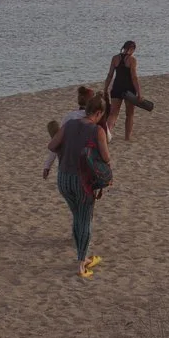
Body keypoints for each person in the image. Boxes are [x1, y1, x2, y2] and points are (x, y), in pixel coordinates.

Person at [50, 88, 112, 278]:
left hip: (63, 179)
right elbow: (106, 158)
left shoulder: (69, 124)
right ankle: (81, 264)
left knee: (77, 216)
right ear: (99, 113)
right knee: (84, 219)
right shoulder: (97, 130)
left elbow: (52, 145)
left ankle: (82, 257)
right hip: (83, 181)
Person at [103, 42, 146, 141]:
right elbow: (134, 77)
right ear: (133, 49)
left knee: (113, 113)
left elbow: (110, 75)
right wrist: (139, 93)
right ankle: (127, 137)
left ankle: (107, 133)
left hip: (117, 87)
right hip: (129, 89)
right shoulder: (132, 60)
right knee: (129, 114)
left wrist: (105, 88)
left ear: (123, 47)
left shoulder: (115, 58)